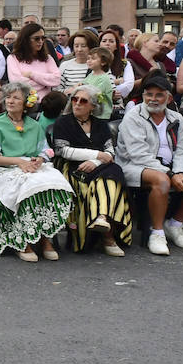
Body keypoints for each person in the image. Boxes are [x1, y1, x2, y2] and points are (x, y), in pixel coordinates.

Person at [0, 82, 74, 261]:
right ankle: (24, 243)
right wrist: (18, 162)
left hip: (31, 166)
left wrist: (40, 159)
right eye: (8, 97)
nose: (10, 101)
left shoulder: (34, 125)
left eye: (16, 98)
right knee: (28, 186)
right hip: (4, 168)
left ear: (26, 103)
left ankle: (45, 239)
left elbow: (45, 150)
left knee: (55, 183)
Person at [114, 74, 183, 255]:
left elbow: (181, 151)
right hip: (134, 166)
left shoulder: (176, 118)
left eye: (158, 95)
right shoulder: (133, 117)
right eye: (149, 94)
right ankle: (157, 233)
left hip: (169, 167)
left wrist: (179, 171)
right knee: (162, 180)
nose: (153, 99)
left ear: (169, 98)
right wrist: (171, 175)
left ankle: (175, 224)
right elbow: (138, 155)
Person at [51, 85, 131, 257]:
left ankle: (102, 218)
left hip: (98, 167)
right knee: (107, 180)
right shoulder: (63, 122)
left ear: (93, 106)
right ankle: (108, 237)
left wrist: (94, 162)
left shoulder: (101, 125)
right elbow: (63, 151)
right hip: (73, 167)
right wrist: (97, 154)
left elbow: (110, 153)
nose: (77, 103)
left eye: (83, 101)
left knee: (111, 174)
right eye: (74, 99)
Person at [6, 23, 61, 100]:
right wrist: (45, 83)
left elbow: (56, 80)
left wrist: (32, 75)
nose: (41, 41)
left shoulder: (48, 58)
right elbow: (17, 83)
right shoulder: (13, 58)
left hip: (45, 104)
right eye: (36, 38)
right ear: (26, 39)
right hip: (24, 105)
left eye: (43, 38)